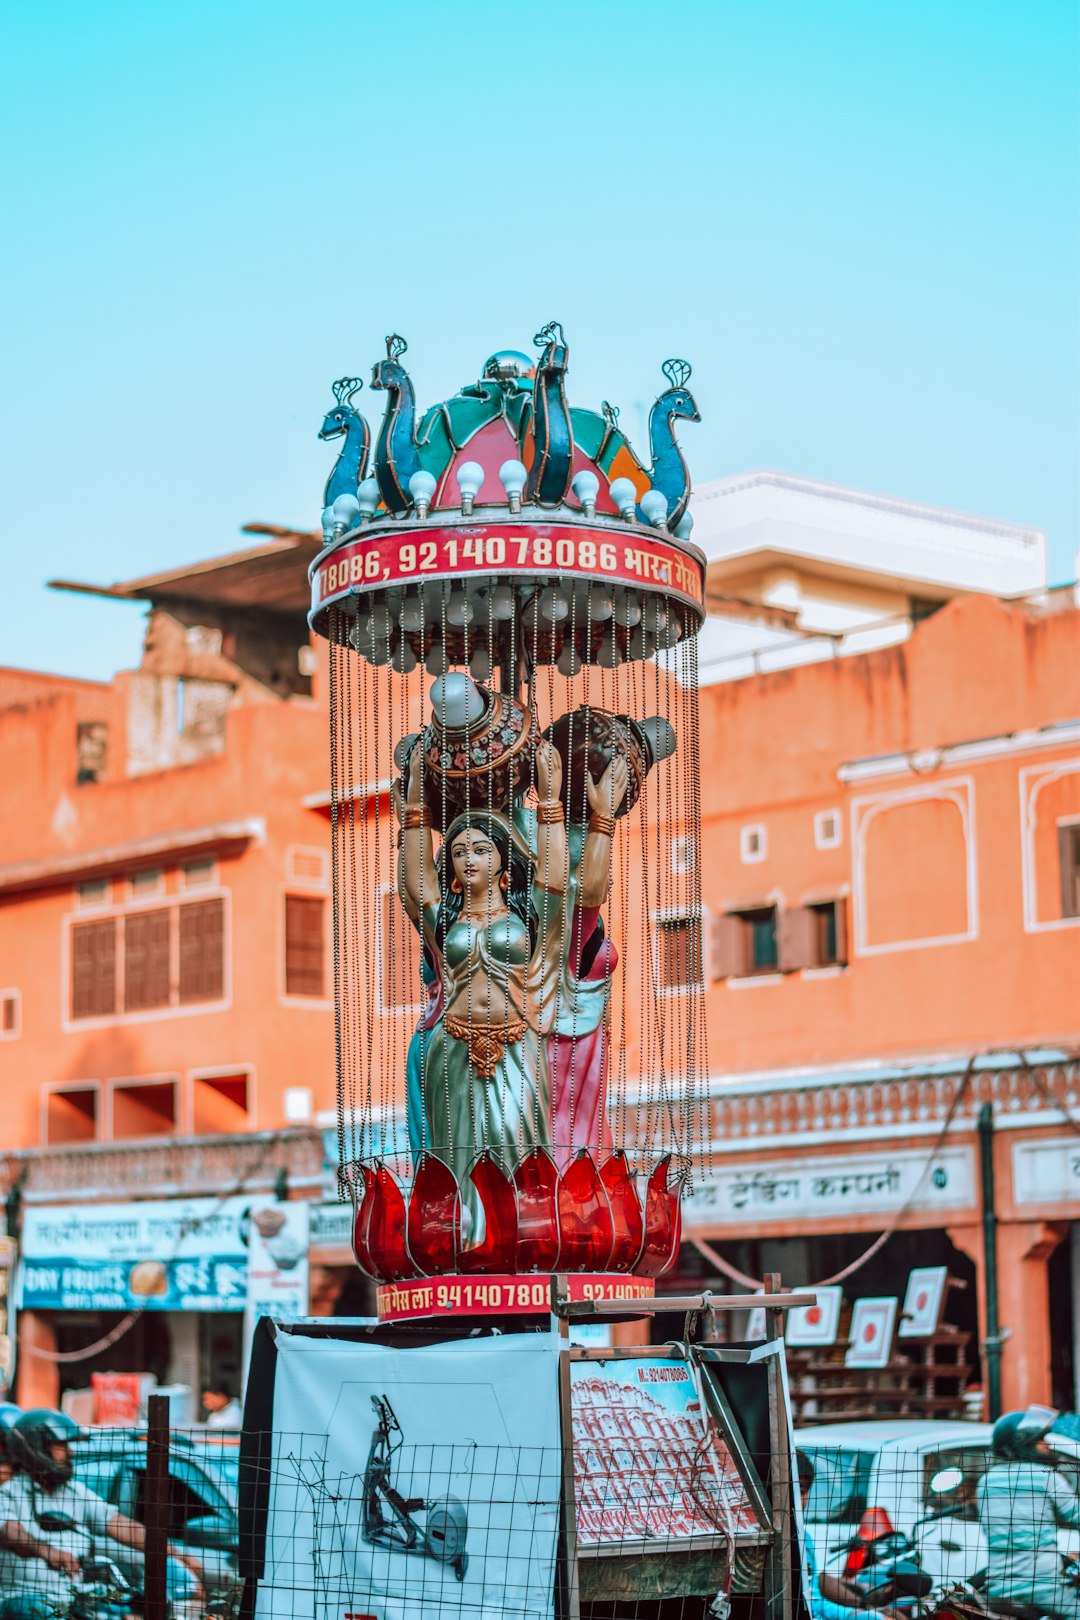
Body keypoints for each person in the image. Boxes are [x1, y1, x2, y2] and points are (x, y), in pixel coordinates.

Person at [398, 740, 571, 1241]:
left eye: (479, 849)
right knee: (456, 1154)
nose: (467, 859)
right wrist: (413, 805)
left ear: (500, 860)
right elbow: (416, 885)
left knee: (517, 1146)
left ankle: (523, 1244)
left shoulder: (530, 915)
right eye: (456, 852)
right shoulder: (444, 918)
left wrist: (554, 801)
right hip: (450, 1048)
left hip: (519, 1045)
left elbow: (558, 881)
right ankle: (461, 1246)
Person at [0, 1408, 204, 1615]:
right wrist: (46, 1551)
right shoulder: (9, 1492)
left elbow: (118, 1524)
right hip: (26, 1597)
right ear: (37, 1446)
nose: (70, 1451)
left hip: (73, 1595)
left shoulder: (74, 1492)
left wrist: (173, 1552)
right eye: (62, 1445)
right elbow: (10, 1532)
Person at [977, 1405, 1080, 1620]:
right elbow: (1076, 1515)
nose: (1047, 1444)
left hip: (998, 1587)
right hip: (1044, 1588)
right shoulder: (1046, 1476)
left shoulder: (986, 1480)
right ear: (1024, 1442)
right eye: (1041, 1439)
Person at [797, 1451, 896, 1620]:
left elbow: (815, 1602)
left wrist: (859, 1614)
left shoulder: (804, 1539)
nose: (803, 1499)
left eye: (804, 1491)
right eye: (799, 1490)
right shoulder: (791, 1541)